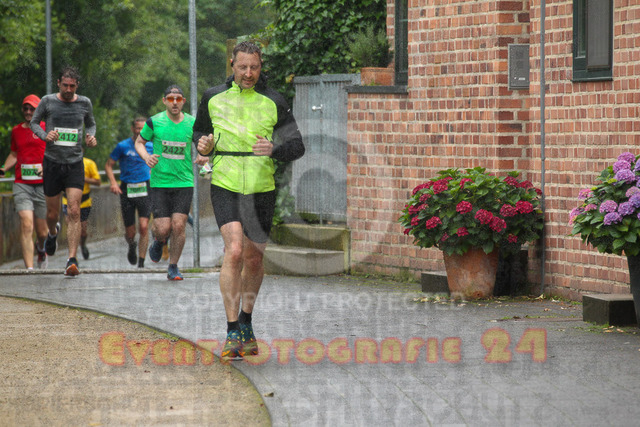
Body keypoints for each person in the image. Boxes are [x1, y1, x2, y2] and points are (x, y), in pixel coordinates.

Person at [193, 41, 305, 361]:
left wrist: (274, 149)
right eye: (242, 67)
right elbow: (199, 136)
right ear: (232, 65)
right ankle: (231, 331)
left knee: (254, 258)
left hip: (261, 187)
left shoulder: (274, 100)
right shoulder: (212, 97)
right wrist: (203, 146)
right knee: (234, 251)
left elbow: (297, 146)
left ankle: (246, 320)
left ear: (261, 66)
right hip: (225, 183)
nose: (248, 73)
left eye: (254, 67)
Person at [30, 66, 97, 276]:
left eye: (72, 86)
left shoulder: (84, 103)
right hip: (52, 163)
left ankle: (71, 259)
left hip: (75, 163)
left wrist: (91, 137)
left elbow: (91, 124)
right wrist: (45, 135)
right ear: (58, 83)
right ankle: (52, 232)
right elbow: (34, 123)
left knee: (74, 211)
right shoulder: (48, 101)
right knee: (52, 214)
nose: (68, 90)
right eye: (65, 85)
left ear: (77, 85)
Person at [134, 85, 195, 280]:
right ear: (164, 101)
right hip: (160, 182)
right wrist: (146, 157)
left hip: (184, 182)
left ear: (183, 101)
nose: (174, 103)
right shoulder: (154, 122)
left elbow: (203, 144)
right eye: (170, 99)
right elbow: (139, 142)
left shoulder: (192, 123)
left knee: (179, 225)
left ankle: (173, 266)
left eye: (178, 99)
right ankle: (159, 241)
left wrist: (204, 154)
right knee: (163, 228)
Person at [0, 95, 49, 270]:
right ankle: (29, 269)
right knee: (26, 223)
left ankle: (41, 248)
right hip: (22, 183)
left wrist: (47, 166)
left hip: (43, 184)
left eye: (32, 109)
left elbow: (56, 151)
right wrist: (3, 168)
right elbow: (14, 154)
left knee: (42, 232)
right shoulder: (16, 131)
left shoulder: (47, 128)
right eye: (25, 108)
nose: (28, 112)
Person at [105, 117, 153, 268]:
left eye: (143, 129)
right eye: (138, 128)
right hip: (127, 189)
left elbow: (159, 163)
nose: (140, 131)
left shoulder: (151, 146)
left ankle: (141, 262)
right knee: (130, 232)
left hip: (145, 187)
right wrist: (113, 182)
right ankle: (132, 245)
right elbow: (108, 165)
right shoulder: (122, 146)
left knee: (144, 227)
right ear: (133, 129)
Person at [62, 154, 100, 260]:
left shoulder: (89, 163)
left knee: (82, 231)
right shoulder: (63, 162)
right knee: (71, 226)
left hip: (84, 201)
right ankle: (72, 256)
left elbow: (98, 181)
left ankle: (82, 245)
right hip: (67, 199)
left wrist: (82, 178)